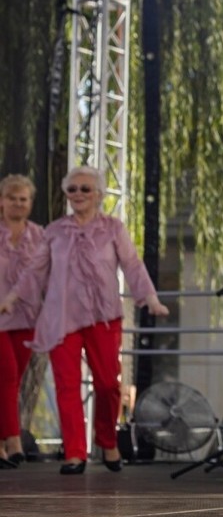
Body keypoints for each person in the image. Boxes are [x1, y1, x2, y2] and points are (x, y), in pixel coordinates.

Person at [0, 165, 168, 474]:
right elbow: (35, 271)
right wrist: (11, 298)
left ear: (99, 194)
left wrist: (150, 297)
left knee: (107, 384)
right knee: (67, 386)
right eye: (72, 189)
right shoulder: (54, 231)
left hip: (103, 317)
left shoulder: (113, 228)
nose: (78, 194)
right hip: (61, 317)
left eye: (84, 189)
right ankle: (75, 453)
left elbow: (132, 264)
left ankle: (107, 441)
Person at [0, 174, 43, 467]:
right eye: (12, 198)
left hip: (27, 316)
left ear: (30, 203)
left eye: (23, 199)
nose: (17, 203)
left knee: (10, 384)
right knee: (7, 374)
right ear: (2, 201)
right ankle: (13, 440)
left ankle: (1, 445)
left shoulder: (40, 236)